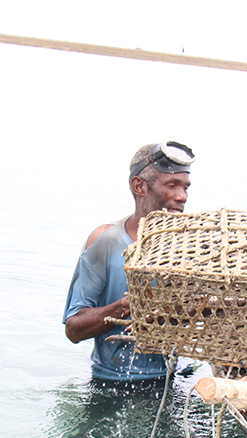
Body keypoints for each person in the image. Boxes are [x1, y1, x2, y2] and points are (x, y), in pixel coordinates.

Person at [64, 141, 194, 383]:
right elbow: (73, 329)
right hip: (108, 381)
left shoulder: (189, 248)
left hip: (170, 380)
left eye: (186, 187)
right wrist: (125, 307)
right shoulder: (106, 241)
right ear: (139, 186)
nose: (182, 197)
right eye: (172, 186)